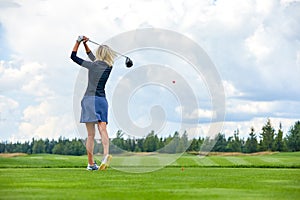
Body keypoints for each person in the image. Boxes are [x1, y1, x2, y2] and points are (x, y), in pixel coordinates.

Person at [70, 36, 116, 171]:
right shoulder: (109, 66)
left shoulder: (92, 65)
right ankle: (106, 155)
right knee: (103, 129)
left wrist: (78, 42)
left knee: (90, 135)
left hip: (89, 99)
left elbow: (73, 56)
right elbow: (92, 57)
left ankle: (91, 164)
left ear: (99, 54)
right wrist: (85, 45)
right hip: (101, 100)